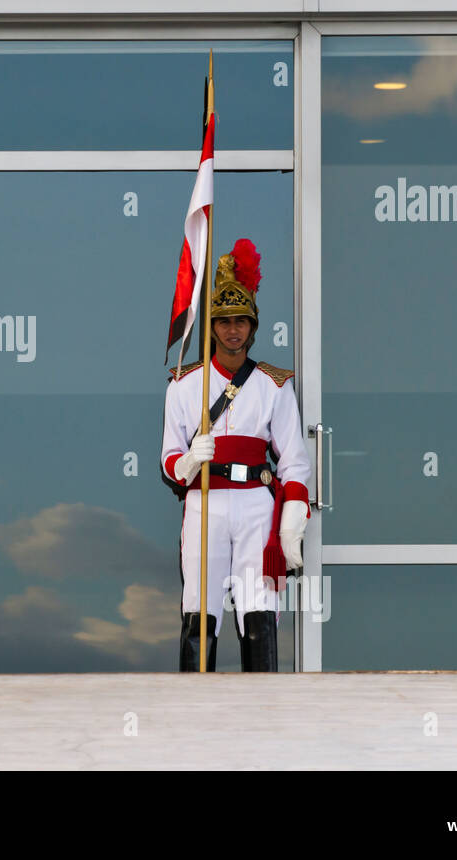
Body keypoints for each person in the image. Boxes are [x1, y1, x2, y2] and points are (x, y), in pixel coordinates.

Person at [160, 238, 311, 672]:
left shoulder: (274, 384)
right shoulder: (183, 385)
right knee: (199, 606)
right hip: (205, 501)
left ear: (253, 326)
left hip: (255, 506)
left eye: (241, 321)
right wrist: (188, 462)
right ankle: (194, 705)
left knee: (258, 607)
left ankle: (263, 707)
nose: (233, 330)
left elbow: (294, 460)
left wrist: (292, 521)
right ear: (211, 325)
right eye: (224, 321)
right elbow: (168, 456)